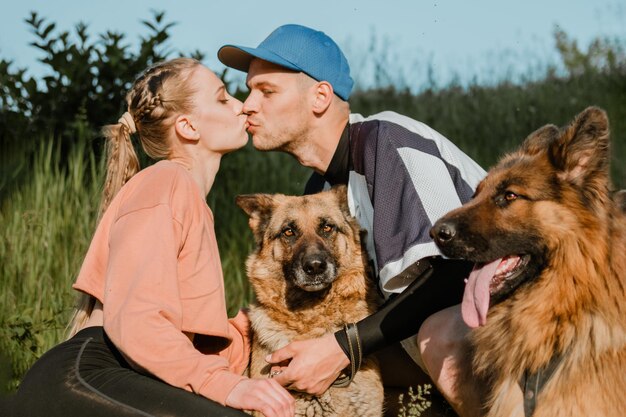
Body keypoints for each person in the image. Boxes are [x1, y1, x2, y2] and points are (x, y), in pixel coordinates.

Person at [218, 25, 490, 417]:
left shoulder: (386, 141)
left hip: (513, 314)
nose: (247, 105)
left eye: (266, 91)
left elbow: (455, 272)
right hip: (428, 331)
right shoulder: (324, 187)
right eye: (249, 90)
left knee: (439, 334)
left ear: (320, 96)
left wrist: (343, 349)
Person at [5, 58, 294, 417]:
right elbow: (138, 321)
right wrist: (228, 386)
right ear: (187, 126)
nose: (242, 106)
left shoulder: (186, 196)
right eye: (223, 99)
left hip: (127, 375)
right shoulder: (166, 182)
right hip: (88, 374)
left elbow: (188, 344)